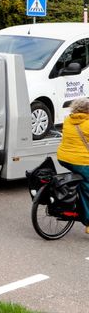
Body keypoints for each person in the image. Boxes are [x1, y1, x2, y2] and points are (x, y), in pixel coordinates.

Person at [57, 97, 89, 232]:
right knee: (87, 187)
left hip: (63, 158)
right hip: (81, 161)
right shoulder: (87, 123)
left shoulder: (67, 120)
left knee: (80, 179)